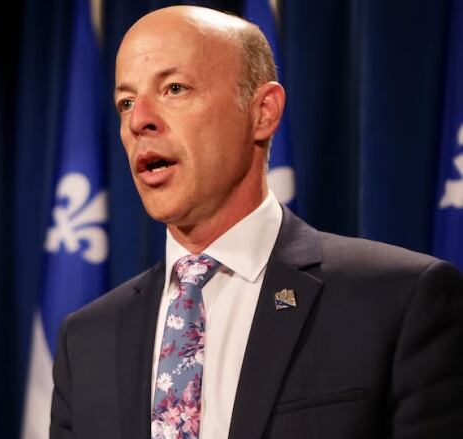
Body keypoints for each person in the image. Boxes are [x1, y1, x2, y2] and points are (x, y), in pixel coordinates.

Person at [49, 5, 463, 439]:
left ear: (263, 111)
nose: (139, 120)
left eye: (174, 88)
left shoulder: (397, 300)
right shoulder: (87, 339)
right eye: (126, 101)